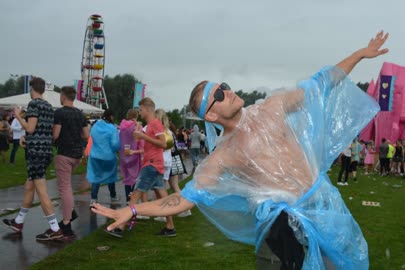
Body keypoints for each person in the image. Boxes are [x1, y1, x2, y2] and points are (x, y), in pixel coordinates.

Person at [92, 31, 389, 269]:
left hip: (321, 206)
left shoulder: (272, 108)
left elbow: (321, 83)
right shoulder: (224, 156)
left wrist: (361, 54)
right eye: (219, 94)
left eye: (226, 85)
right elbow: (182, 199)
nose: (229, 91)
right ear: (210, 115)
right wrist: (132, 209)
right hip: (282, 228)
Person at [104, 98, 174, 238]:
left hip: (152, 165)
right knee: (163, 196)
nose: (139, 112)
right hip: (154, 165)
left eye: (141, 109)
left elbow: (163, 144)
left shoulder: (155, 124)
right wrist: (139, 132)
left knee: (135, 195)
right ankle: (170, 227)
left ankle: (120, 226)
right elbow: (143, 140)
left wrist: (143, 136)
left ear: (148, 109)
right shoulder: (150, 125)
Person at [3, 77, 63, 240]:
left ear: (32, 88)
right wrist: (27, 140)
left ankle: (55, 229)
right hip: (45, 151)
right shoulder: (49, 107)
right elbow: (43, 131)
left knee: (42, 192)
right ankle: (18, 222)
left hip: (35, 153)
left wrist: (17, 115)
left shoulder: (34, 104)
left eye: (29, 90)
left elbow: (30, 128)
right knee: (29, 186)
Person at [52, 86, 90, 238]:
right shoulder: (80, 114)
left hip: (64, 154)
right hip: (77, 155)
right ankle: (70, 211)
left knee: (64, 188)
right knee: (66, 185)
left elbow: (56, 134)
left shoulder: (60, 113)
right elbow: (86, 135)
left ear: (63, 97)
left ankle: (66, 223)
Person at [87, 109, 121, 206]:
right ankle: (113, 197)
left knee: (96, 177)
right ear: (111, 116)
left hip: (95, 155)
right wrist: (117, 149)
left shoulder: (95, 126)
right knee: (111, 177)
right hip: (108, 156)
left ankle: (93, 199)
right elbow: (115, 144)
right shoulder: (112, 128)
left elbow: (91, 137)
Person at [119, 109, 144, 203]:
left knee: (126, 178)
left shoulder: (122, 127)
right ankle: (132, 199)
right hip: (134, 154)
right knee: (135, 178)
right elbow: (141, 141)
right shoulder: (138, 127)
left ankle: (127, 198)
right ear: (136, 116)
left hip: (123, 155)